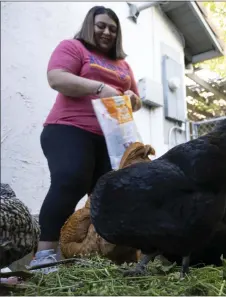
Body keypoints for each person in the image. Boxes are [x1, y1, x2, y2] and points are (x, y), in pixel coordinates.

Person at [30, 6, 142, 273]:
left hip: (111, 138)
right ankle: (44, 256)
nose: (107, 32)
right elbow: (56, 78)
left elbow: (134, 100)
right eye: (101, 25)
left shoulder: (122, 64)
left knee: (111, 194)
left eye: (113, 29)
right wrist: (99, 88)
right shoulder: (74, 48)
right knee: (71, 179)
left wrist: (133, 100)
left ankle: (102, 257)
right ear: (90, 25)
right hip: (69, 128)